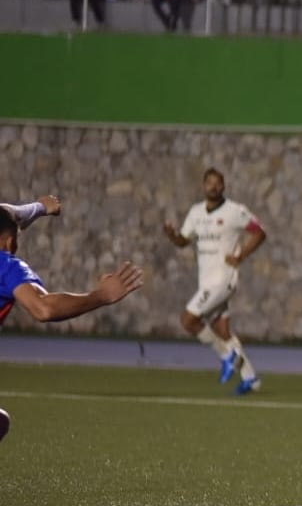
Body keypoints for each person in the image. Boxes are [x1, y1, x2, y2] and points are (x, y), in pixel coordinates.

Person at [1, 201, 144, 443]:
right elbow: (43, 308)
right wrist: (100, 296)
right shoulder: (6, 263)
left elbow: (12, 214)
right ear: (9, 242)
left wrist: (40, 207)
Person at [163, 169, 267, 394]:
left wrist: (240, 256)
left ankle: (227, 356)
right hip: (206, 281)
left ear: (224, 186)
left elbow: (259, 233)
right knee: (222, 329)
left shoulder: (234, 211)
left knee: (188, 320)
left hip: (223, 279)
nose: (213, 187)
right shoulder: (195, 212)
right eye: (209, 182)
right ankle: (250, 378)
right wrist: (172, 235)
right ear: (203, 185)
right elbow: (183, 240)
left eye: (218, 183)